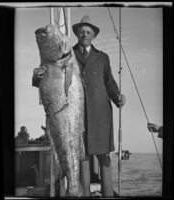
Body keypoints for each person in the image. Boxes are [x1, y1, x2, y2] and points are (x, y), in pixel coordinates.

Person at [32, 15, 126, 197]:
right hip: (77, 117)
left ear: (93, 35)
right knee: (81, 159)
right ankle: (78, 193)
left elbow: (110, 83)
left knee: (105, 162)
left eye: (88, 32)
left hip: (101, 116)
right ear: (76, 34)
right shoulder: (68, 53)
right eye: (81, 31)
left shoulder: (103, 58)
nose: (84, 34)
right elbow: (46, 81)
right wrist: (37, 75)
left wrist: (118, 97)